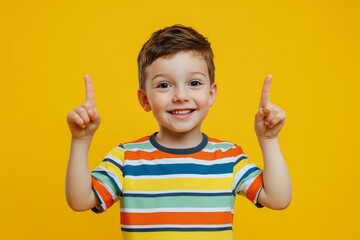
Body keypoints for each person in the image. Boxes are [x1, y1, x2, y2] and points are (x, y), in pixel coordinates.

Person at [65, 25, 292, 240]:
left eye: (194, 82)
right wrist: (80, 141)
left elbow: (278, 198)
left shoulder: (228, 157)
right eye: (164, 85)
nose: (181, 95)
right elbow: (80, 200)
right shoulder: (126, 158)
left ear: (211, 94)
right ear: (145, 100)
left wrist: (269, 140)